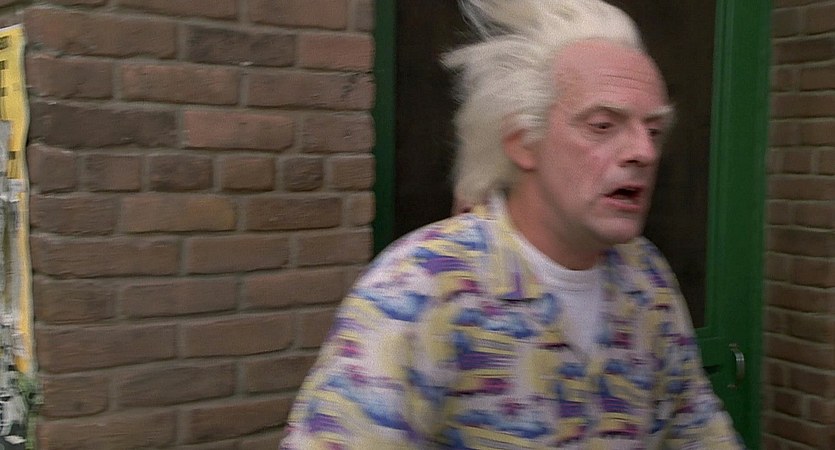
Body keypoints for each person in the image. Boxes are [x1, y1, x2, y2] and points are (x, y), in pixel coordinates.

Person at [281, 0, 743, 448]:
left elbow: (698, 429)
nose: (643, 151)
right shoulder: (419, 288)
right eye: (603, 125)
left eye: (654, 130)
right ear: (523, 142)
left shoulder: (648, 283)